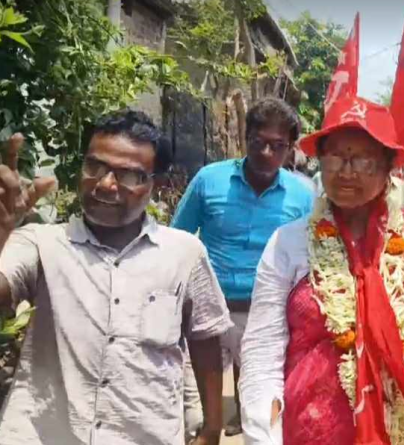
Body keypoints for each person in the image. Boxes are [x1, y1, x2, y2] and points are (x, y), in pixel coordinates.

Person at [239, 96, 404, 444]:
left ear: (389, 167)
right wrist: (262, 435)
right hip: (312, 430)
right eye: (336, 156)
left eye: (364, 160)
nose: (347, 171)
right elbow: (262, 350)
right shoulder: (288, 244)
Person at [0, 110, 232, 445]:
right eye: (95, 167)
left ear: (157, 184)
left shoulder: (184, 253)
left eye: (129, 176)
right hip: (43, 434)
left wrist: (211, 428)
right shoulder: (41, 244)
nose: (106, 184)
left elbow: (204, 339)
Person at [171, 97, 314, 436]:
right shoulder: (210, 180)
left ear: (291, 148)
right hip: (207, 313)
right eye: (259, 142)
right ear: (244, 137)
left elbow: (313, 253)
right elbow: (177, 238)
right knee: (195, 413)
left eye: (278, 146)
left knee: (259, 407)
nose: (267, 153)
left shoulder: (304, 194)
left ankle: (239, 421)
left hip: (267, 316)